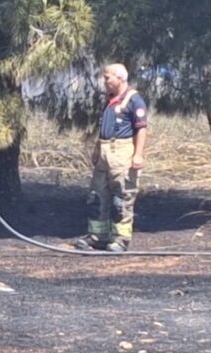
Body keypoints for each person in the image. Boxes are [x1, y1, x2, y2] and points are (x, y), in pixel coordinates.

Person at [76, 63, 148, 252]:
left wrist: (138, 154)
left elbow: (141, 129)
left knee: (121, 198)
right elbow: (104, 129)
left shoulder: (134, 100)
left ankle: (120, 239)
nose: (105, 81)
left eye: (108, 77)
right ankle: (97, 235)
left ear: (120, 78)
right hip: (105, 152)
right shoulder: (109, 100)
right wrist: (97, 150)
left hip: (122, 152)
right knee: (97, 195)